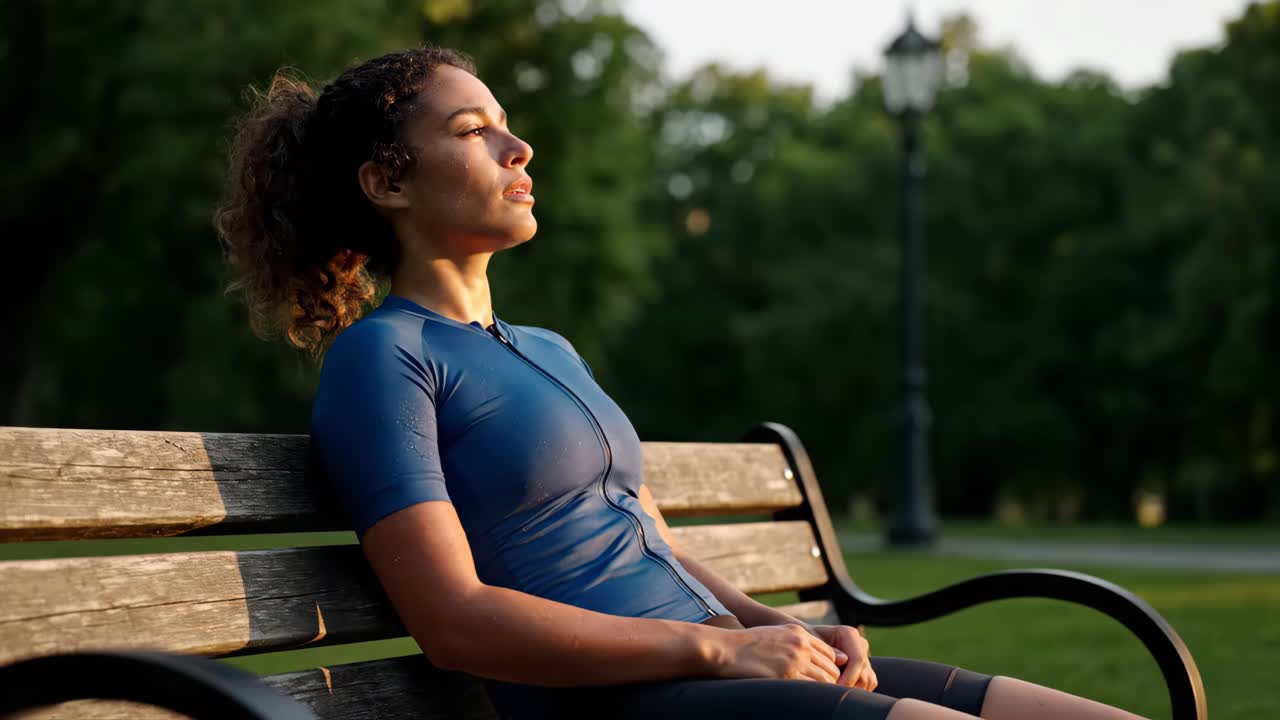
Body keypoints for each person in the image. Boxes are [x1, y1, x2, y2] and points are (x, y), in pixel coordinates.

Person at [215, 46, 1147, 720]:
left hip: (719, 672)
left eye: (506, 123)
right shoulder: (384, 359)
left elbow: (646, 538)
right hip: (631, 700)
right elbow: (456, 623)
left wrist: (784, 631)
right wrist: (722, 649)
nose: (518, 148)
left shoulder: (547, 347)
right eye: (472, 130)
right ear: (388, 183)